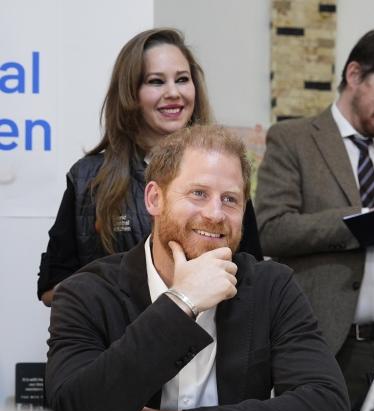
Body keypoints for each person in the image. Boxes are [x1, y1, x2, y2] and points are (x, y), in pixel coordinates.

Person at [45, 125, 349, 411]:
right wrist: (182, 302)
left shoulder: (272, 286)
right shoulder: (86, 292)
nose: (215, 214)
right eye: (198, 193)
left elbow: (327, 409)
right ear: (154, 198)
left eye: (230, 199)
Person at [254, 29, 374, 411]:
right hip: (330, 345)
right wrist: (364, 223)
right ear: (354, 75)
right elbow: (271, 229)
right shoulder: (293, 140)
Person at [37, 27, 262, 307]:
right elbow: (50, 287)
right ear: (130, 92)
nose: (173, 93)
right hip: (120, 342)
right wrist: (135, 299)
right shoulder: (89, 178)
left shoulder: (225, 172)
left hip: (214, 341)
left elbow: (253, 274)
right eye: (156, 81)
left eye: (182, 79)